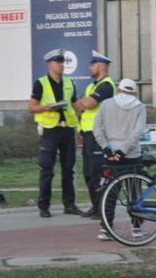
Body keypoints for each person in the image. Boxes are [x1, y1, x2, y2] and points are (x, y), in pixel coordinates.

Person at [28, 49, 83, 218]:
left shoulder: (69, 82)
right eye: (58, 62)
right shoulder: (41, 83)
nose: (61, 65)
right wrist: (46, 107)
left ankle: (69, 204)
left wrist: (79, 129)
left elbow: (75, 106)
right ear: (49, 64)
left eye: (63, 62)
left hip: (67, 129)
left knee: (68, 169)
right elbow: (31, 107)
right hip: (50, 130)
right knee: (47, 169)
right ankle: (44, 206)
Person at [93, 78, 147, 241]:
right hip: (132, 156)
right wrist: (123, 151)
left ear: (118, 90)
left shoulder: (106, 104)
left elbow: (96, 128)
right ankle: (136, 228)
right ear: (135, 93)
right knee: (134, 193)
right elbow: (137, 132)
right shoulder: (140, 106)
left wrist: (107, 148)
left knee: (109, 193)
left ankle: (106, 228)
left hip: (111, 157)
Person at [74, 50, 117, 219]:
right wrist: (81, 104)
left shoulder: (106, 85)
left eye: (93, 64)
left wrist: (82, 103)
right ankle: (95, 205)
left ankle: (103, 209)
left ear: (102, 66)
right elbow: (80, 106)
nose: (89, 67)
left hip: (99, 135)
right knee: (88, 172)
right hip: (87, 134)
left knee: (99, 173)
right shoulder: (92, 86)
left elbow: (88, 103)